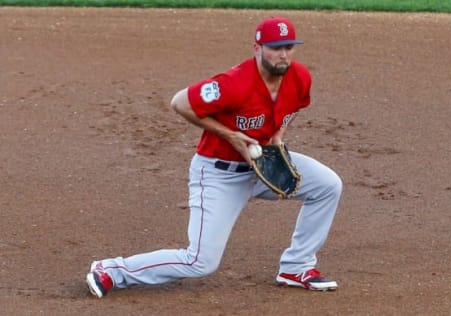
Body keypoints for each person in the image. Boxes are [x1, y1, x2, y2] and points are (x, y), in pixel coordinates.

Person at [86, 16, 342, 298]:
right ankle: (110, 271)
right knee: (200, 262)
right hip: (220, 175)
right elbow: (180, 102)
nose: (283, 54)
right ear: (257, 48)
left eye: (288, 47)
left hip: (262, 165)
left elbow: (294, 107)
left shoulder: (300, 77)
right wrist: (231, 136)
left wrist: (278, 138)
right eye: (275, 47)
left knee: (328, 185)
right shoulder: (234, 83)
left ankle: (297, 266)